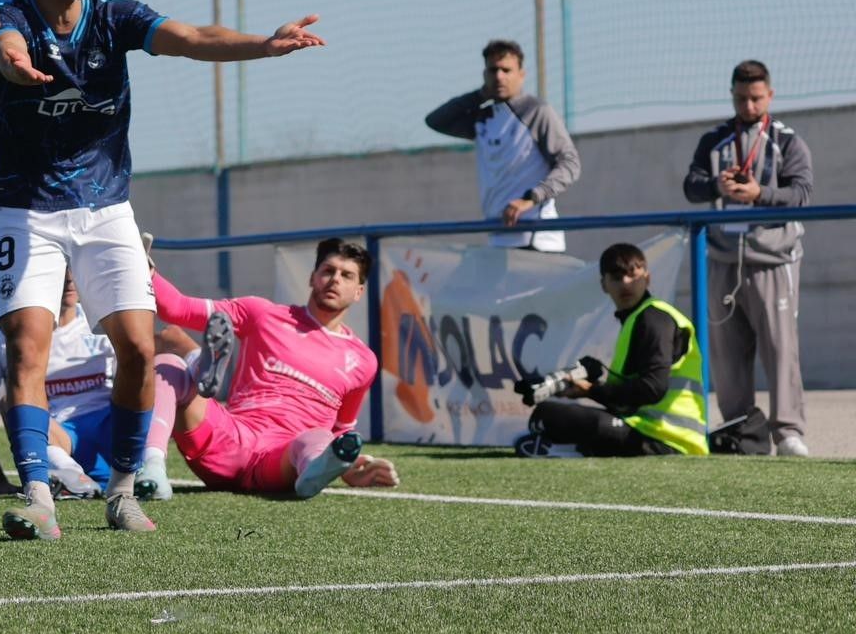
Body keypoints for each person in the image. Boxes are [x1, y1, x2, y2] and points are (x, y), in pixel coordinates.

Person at [0, 0, 324, 538]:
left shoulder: (115, 14)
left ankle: (122, 491)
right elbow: (3, 45)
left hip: (106, 206)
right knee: (27, 344)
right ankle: (38, 495)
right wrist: (15, 63)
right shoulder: (6, 11)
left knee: (138, 347)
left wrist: (265, 45)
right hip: (25, 207)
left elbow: (191, 39)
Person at [150, 238, 400, 497]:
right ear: (312, 277)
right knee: (169, 367)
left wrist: (349, 470)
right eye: (328, 270)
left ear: (359, 292)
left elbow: (342, 430)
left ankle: (312, 470)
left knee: (316, 438)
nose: (335, 279)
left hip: (282, 461)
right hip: (227, 439)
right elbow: (176, 307)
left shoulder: (363, 361)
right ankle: (152, 466)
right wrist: (143, 269)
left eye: (346, 275)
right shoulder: (261, 314)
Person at [682, 59, 813, 456]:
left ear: (769, 95)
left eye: (756, 98)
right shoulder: (714, 139)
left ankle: (787, 432)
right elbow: (691, 186)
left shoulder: (787, 141)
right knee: (726, 354)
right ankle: (740, 430)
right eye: (741, 98)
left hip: (772, 259)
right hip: (722, 259)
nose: (749, 106)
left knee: (780, 349)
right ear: (731, 95)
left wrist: (760, 195)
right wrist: (715, 186)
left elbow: (802, 193)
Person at [0, 271, 179, 504]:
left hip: (112, 430)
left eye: (73, 265)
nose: (69, 278)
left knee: (160, 369)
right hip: (59, 438)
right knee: (10, 401)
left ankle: (151, 465)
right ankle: (70, 474)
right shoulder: (1, 340)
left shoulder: (104, 323)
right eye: (59, 266)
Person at [518, 243, 709, 458]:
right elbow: (633, 396)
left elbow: (653, 389)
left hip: (664, 439)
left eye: (632, 275)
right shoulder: (638, 318)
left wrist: (591, 390)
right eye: (617, 277)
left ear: (647, 278)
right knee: (545, 415)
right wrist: (588, 387)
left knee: (547, 417)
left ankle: (575, 451)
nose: (625, 283)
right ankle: (575, 449)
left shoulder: (653, 319)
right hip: (653, 432)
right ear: (604, 284)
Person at [424, 39, 581, 252]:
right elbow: (435, 120)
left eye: (506, 70)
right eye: (493, 70)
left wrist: (530, 199)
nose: (499, 76)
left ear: (521, 75)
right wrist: (480, 95)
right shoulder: (483, 117)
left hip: (537, 238)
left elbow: (570, 164)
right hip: (499, 237)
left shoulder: (537, 111)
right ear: (484, 75)